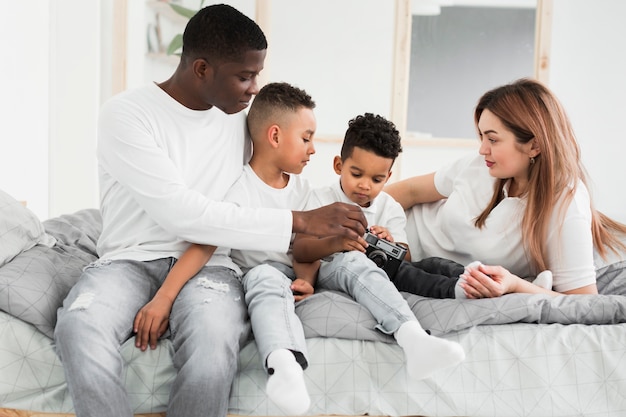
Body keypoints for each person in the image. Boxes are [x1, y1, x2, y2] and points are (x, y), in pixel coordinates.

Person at [53, 6, 366, 417]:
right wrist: (300, 221)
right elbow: (182, 214)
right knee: (79, 326)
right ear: (201, 68)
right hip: (130, 259)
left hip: (211, 265)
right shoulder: (127, 115)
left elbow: (283, 166)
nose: (255, 88)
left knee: (212, 347)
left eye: (257, 74)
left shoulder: (240, 121)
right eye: (244, 76)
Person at [134, 81, 318, 415]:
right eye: (306, 138)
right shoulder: (238, 189)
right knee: (264, 276)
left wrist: (307, 278)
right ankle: (283, 362)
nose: (313, 149)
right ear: (275, 136)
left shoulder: (305, 191)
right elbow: (204, 244)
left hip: (288, 277)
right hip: (258, 277)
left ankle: (287, 362)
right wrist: (164, 296)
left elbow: (308, 247)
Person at [385, 78, 626, 299]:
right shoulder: (479, 167)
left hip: (421, 272)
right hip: (392, 235)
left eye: (492, 139)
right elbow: (409, 192)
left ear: (535, 146)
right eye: (481, 136)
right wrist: (371, 216)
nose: (482, 149)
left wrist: (515, 285)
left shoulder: (565, 202)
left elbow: (583, 301)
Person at [292, 113, 466, 381]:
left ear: (388, 176)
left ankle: (477, 278)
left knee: (432, 265)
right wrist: (338, 243)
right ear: (339, 165)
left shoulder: (389, 207)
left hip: (384, 271)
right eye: (357, 174)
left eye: (376, 179)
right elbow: (301, 250)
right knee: (354, 261)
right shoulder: (319, 198)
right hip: (333, 267)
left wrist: (389, 241)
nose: (365, 185)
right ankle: (413, 337)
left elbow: (405, 256)